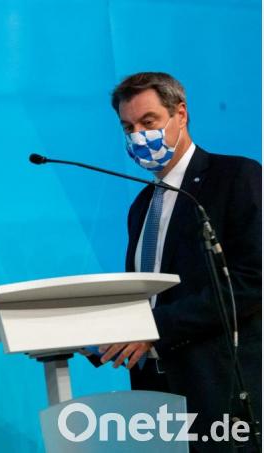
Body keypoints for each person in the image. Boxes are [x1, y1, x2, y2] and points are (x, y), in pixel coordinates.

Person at [98, 72, 261, 451]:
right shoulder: (141, 206)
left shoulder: (236, 177)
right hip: (155, 394)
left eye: (148, 122)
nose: (138, 136)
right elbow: (148, 296)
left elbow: (253, 282)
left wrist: (155, 326)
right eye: (128, 127)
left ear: (181, 114)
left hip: (219, 387)